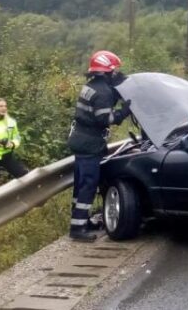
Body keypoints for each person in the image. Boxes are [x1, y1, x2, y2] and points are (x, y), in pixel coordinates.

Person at [67, 50, 132, 242]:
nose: (116, 74)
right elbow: (105, 118)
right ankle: (78, 229)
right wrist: (123, 113)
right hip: (90, 144)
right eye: (114, 71)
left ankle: (81, 221)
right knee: (88, 184)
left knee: (80, 185)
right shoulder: (103, 91)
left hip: (81, 140)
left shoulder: (91, 87)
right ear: (107, 71)